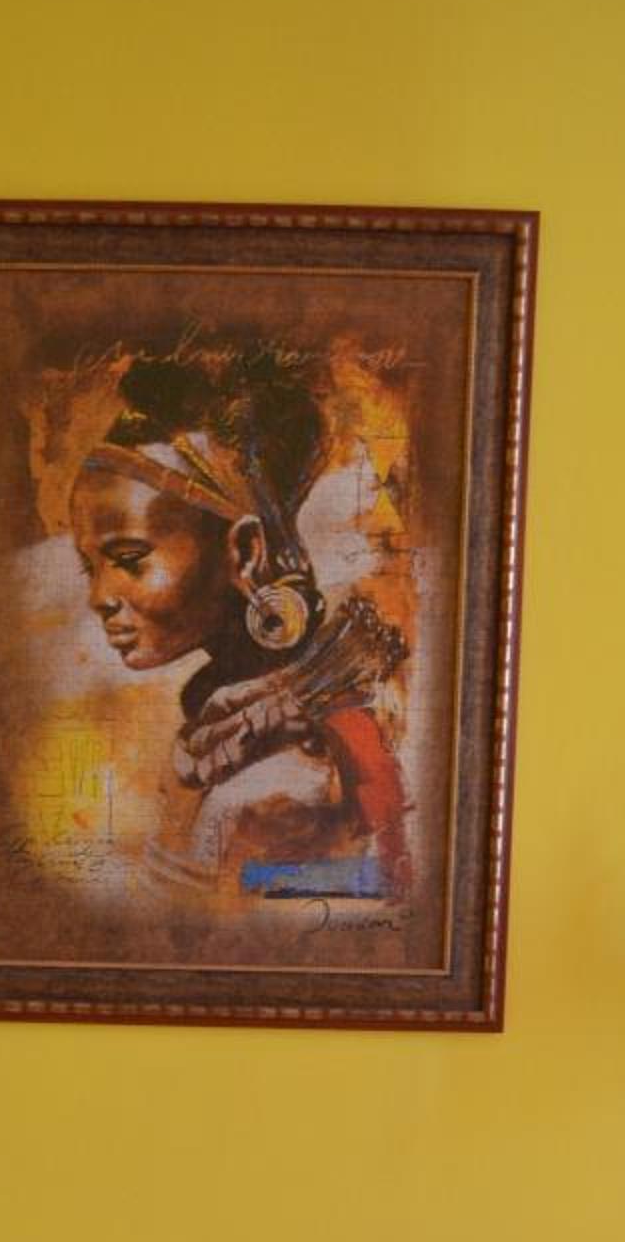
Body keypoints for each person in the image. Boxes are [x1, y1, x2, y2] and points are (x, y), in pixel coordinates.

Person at [67, 346, 412, 899]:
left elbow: (377, 890)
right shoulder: (229, 728)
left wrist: (245, 875)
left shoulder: (285, 783)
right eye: (91, 567)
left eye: (129, 559)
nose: (99, 597)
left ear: (246, 553)